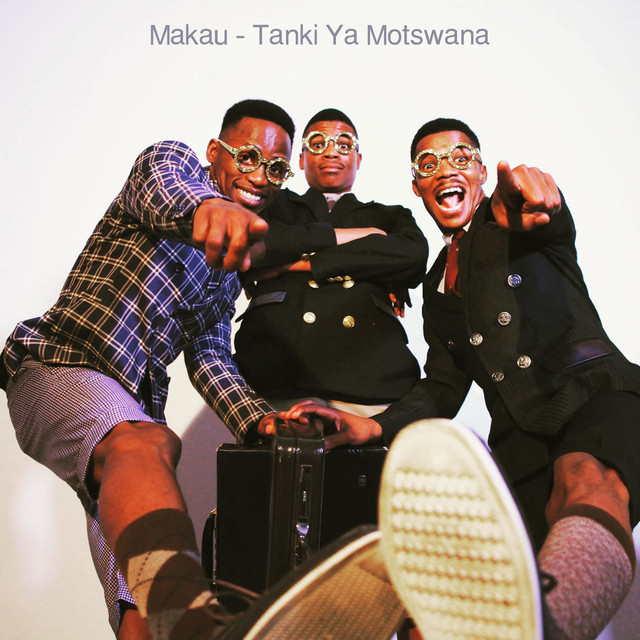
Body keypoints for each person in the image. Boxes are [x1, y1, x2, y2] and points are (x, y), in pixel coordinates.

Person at [285, 118, 640, 640]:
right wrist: (373, 426)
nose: (446, 170)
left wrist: (537, 196)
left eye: (459, 158)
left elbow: (548, 215)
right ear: (417, 186)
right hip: (520, 443)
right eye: (429, 164)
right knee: (462, 582)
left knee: (584, 477)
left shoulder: (516, 223)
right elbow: (443, 386)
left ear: (480, 171)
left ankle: (551, 630)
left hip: (596, 397)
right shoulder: (434, 285)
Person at [0, 98, 300, 639]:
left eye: (276, 168)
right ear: (216, 151)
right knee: (150, 443)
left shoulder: (226, 275)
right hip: (59, 363)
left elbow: (210, 359)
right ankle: (198, 628)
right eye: (249, 157)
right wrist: (207, 211)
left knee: (139, 596)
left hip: (127, 418)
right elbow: (163, 192)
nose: (260, 176)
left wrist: (260, 420)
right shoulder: (172, 162)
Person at [233, 108, 428, 416]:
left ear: (358, 159)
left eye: (344, 144)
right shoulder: (273, 201)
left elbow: (413, 256)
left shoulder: (389, 215)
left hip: (371, 376)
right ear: (301, 160)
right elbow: (254, 243)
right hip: (274, 371)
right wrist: (362, 243)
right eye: (317, 143)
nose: (331, 152)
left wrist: (295, 265)